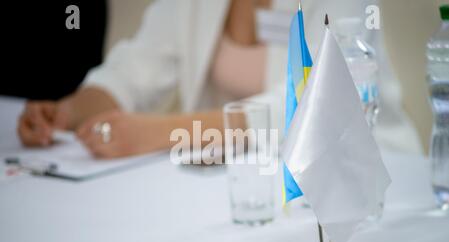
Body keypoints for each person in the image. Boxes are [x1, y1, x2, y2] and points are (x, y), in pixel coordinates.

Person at [17, 0, 422, 158]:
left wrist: (167, 132)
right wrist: (67, 111)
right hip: (237, 187)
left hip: (356, 182)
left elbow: (312, 106)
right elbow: (133, 70)